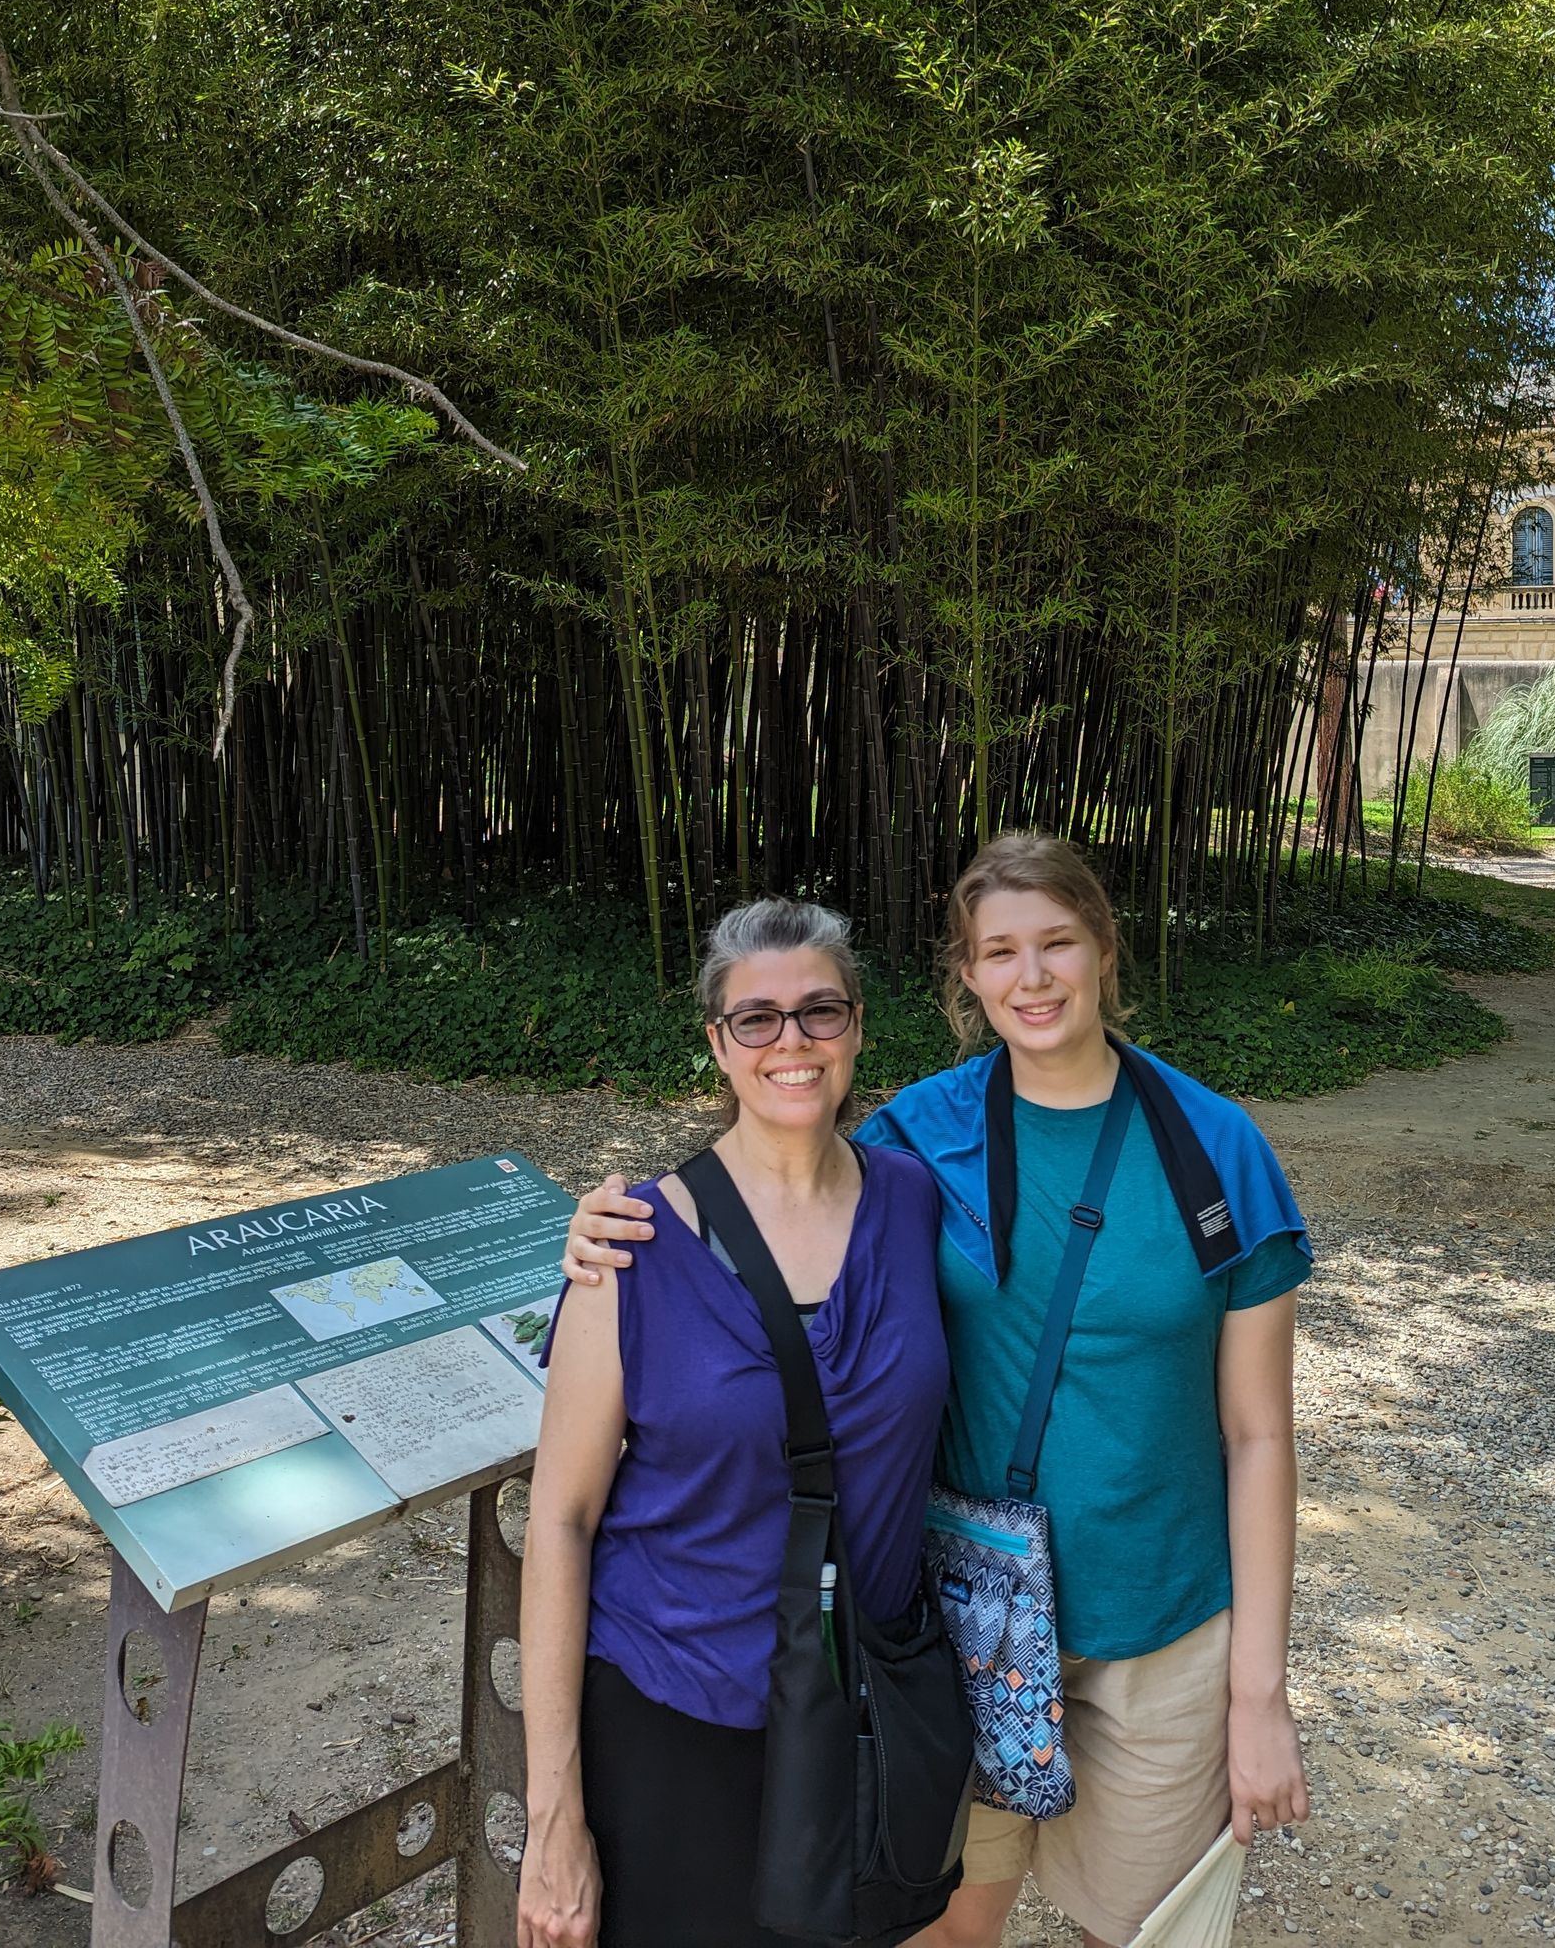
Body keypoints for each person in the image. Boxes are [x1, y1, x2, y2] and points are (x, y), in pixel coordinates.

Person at [562, 831, 1313, 1948]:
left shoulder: (1217, 1150)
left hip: (1154, 1619)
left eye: (1056, 942)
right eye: (998, 950)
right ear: (964, 974)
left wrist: (1259, 1694)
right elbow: (779, 1176)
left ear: (1105, 948)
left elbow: (1257, 1436)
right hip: (956, 1623)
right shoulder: (921, 1133)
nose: (1032, 976)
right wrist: (612, 1220)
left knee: (1147, 1931)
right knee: (939, 1928)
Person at [515, 898, 953, 1948]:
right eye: (755, 1018)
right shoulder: (630, 1248)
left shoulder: (912, 1200)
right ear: (716, 1042)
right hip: (677, 1710)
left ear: (856, 1028)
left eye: (818, 1010)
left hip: (862, 1706)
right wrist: (551, 1814)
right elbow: (561, 1522)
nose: (790, 1041)